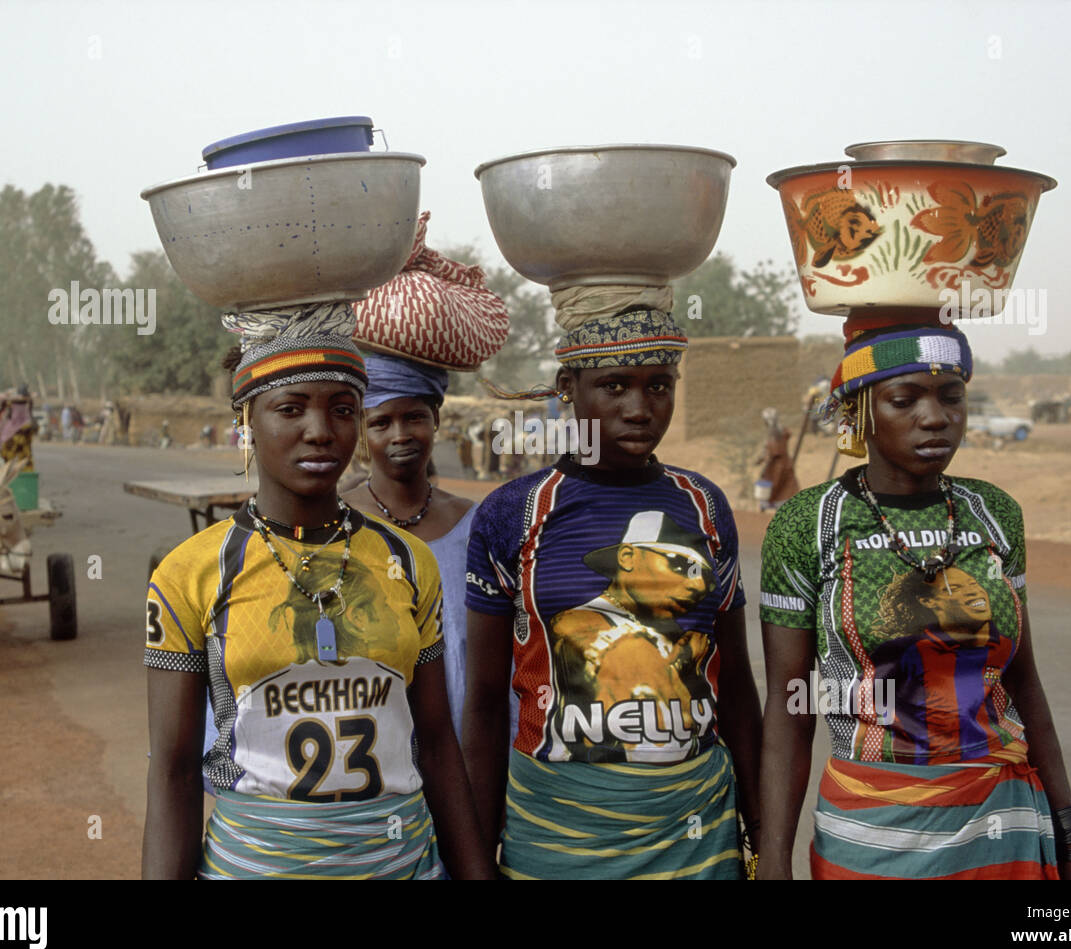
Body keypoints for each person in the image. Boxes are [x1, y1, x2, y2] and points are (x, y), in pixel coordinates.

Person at [141, 309, 491, 880]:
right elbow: (175, 773)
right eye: (291, 408)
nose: (321, 429)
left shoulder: (405, 560)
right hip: (254, 866)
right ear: (246, 421)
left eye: (343, 409)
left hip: (399, 864)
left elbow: (436, 742)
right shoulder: (192, 573)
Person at [757, 323, 1071, 880]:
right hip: (871, 824)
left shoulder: (994, 512)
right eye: (904, 399)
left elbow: (1025, 683)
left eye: (951, 397)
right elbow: (788, 702)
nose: (936, 417)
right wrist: (773, 858)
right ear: (858, 414)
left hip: (1001, 821)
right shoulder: (809, 524)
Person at [463, 307, 763, 880]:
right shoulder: (512, 513)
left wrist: (765, 838)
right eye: (614, 386)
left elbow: (739, 689)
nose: (639, 408)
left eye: (659, 386)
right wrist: (478, 859)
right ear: (567, 389)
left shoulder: (704, 503)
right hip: (557, 830)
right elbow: (482, 703)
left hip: (696, 832)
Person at [342, 354, 505, 745]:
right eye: (381, 422)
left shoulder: (476, 525)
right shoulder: (338, 524)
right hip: (373, 749)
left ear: (436, 418)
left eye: (414, 417)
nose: (400, 435)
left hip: (468, 741)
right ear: (362, 431)